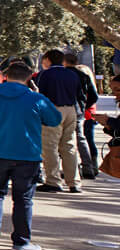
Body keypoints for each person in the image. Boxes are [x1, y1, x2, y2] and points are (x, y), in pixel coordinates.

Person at [0, 60, 62, 250]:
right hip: (27, 154)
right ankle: (21, 241)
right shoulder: (35, 98)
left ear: (6, 75)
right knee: (24, 199)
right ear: (29, 78)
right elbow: (54, 119)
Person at [34, 49, 83, 193]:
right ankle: (73, 182)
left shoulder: (46, 74)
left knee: (50, 146)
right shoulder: (72, 74)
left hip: (53, 108)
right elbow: (79, 93)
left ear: (48, 59)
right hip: (70, 109)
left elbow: (41, 94)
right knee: (69, 145)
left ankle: (53, 180)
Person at [64, 52, 100, 179]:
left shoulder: (64, 74)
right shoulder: (83, 75)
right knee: (81, 138)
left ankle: (68, 168)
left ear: (65, 62)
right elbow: (94, 96)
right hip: (79, 111)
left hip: (65, 108)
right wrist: (84, 105)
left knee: (63, 139)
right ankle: (88, 167)